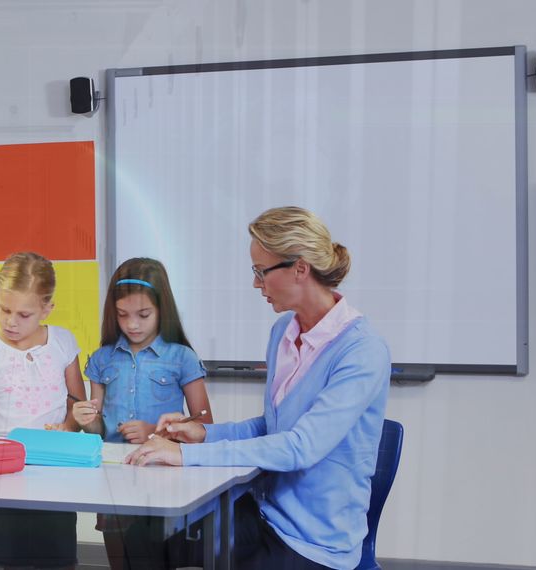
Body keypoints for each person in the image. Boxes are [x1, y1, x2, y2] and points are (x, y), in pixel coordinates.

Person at [127, 207, 390, 570]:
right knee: (146, 538)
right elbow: (274, 426)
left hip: (313, 541)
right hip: (265, 512)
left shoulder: (362, 351)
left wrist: (185, 456)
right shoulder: (283, 332)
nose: (256, 283)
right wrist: (202, 433)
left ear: (300, 268)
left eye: (260, 271)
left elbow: (301, 446)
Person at [71, 257, 212, 569]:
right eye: (122, 315)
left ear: (163, 310)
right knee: (120, 558)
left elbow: (204, 423)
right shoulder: (102, 359)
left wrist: (154, 431)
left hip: (163, 478)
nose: (132, 324)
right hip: (113, 477)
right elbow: (97, 428)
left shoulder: (181, 358)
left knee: (157, 558)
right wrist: (87, 419)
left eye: (143, 314)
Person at [0, 252, 86, 569]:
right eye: (4, 309)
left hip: (54, 468)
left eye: (23, 314)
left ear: (47, 308)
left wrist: (69, 424)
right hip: (2, 468)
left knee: (57, 557)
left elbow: (76, 405)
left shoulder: (63, 343)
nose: (11, 321)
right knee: (6, 558)